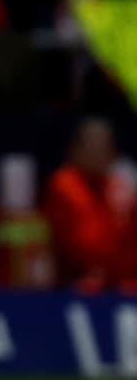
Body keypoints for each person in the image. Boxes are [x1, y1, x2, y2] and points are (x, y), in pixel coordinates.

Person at [44, 118, 134, 292]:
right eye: (93, 147)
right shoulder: (64, 184)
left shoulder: (118, 186)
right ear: (75, 150)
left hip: (118, 284)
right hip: (74, 286)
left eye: (105, 147)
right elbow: (81, 247)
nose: (100, 154)